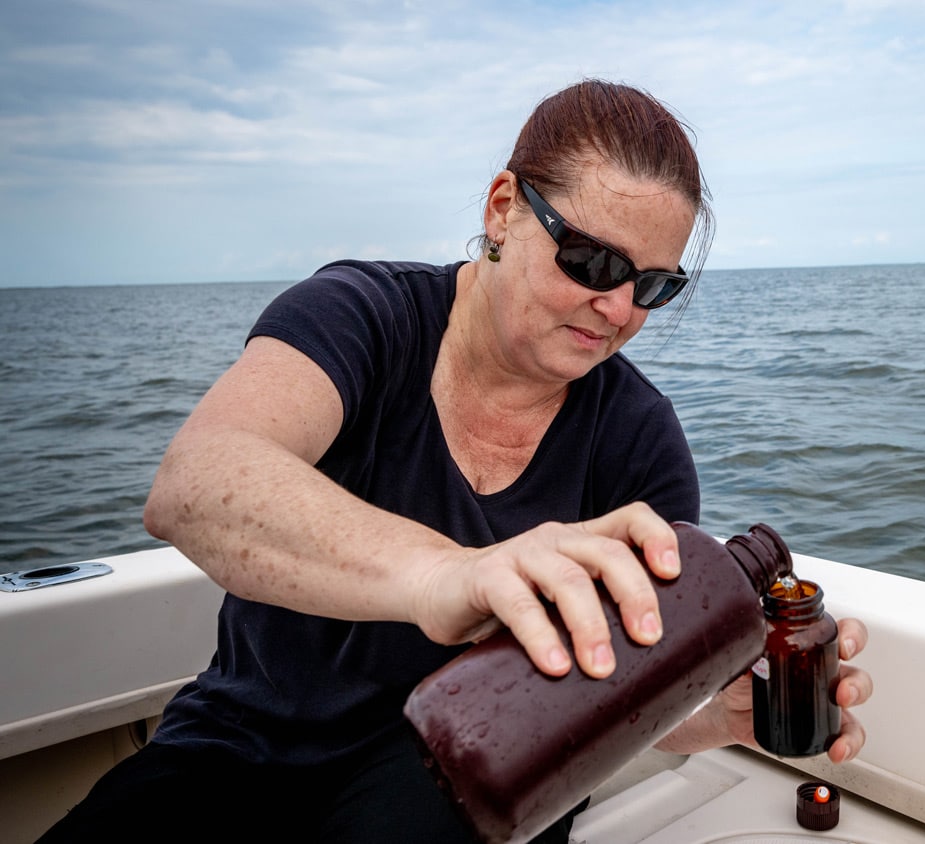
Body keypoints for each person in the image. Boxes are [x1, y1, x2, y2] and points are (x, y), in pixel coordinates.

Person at [40, 79, 873, 843]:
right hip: (242, 744)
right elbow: (197, 484)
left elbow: (615, 698)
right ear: (506, 207)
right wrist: (450, 576)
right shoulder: (362, 317)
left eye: (654, 286)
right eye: (593, 262)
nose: (618, 308)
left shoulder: (639, 443)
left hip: (480, 775)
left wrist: (716, 715)